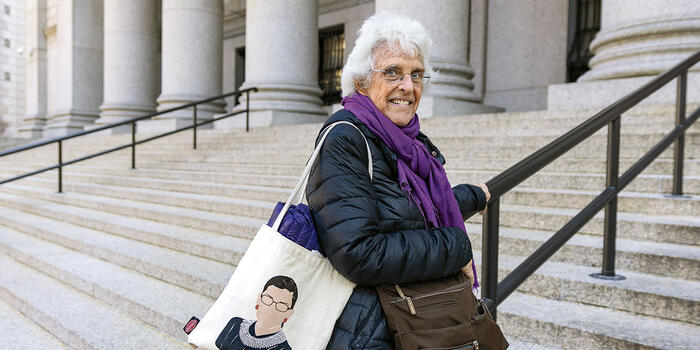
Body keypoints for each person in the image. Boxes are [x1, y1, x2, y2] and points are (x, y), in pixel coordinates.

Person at [305, 12, 491, 349]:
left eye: (416, 75)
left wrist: (473, 196)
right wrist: (457, 247)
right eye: (392, 72)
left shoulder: (407, 141)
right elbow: (358, 252)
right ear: (361, 82)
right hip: (370, 330)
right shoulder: (346, 138)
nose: (407, 86)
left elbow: (414, 208)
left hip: (409, 319)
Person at [215, 276, 297, 350]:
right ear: (259, 300)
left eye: (282, 305)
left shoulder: (283, 348)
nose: (270, 308)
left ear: (289, 314)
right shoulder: (235, 324)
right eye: (268, 298)